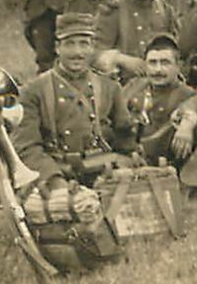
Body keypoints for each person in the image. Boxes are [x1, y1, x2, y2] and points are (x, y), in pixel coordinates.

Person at [14, 13, 138, 187]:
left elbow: (125, 137)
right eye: (70, 44)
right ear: (57, 47)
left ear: (92, 47)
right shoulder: (34, 90)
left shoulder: (109, 86)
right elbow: (26, 147)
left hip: (103, 172)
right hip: (58, 173)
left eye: (84, 44)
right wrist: (54, 180)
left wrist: (127, 162)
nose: (77, 53)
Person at [94, 0, 179, 81]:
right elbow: (94, 53)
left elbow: (178, 51)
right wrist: (121, 59)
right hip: (125, 87)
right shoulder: (113, 10)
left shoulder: (165, 10)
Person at [120, 35, 197, 165]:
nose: (158, 70)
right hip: (128, 162)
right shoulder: (133, 87)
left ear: (178, 66)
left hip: (169, 168)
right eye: (152, 63)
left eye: (165, 63)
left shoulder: (188, 97)